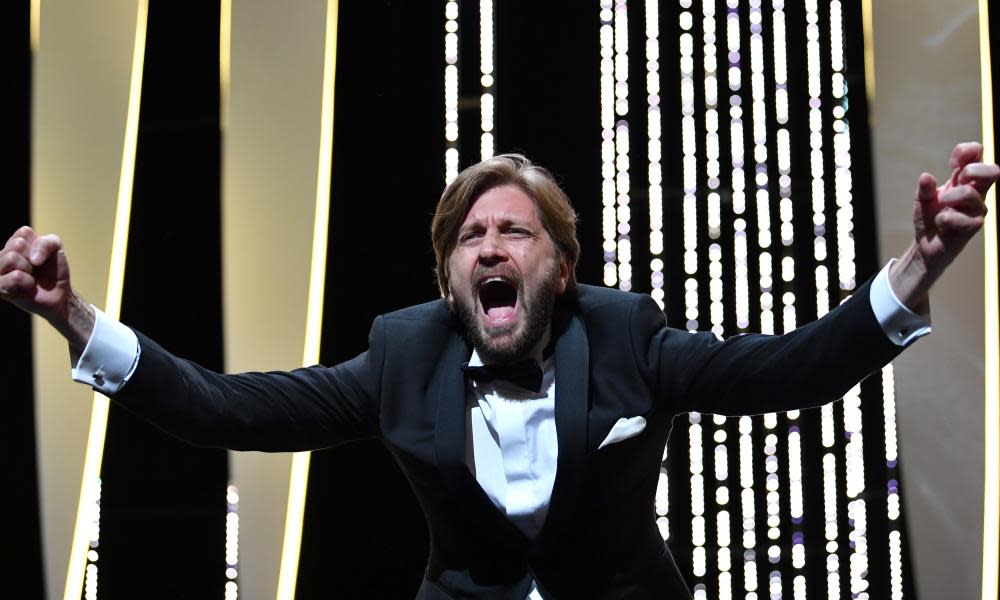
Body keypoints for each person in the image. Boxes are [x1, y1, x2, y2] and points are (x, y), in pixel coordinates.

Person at [1, 143, 995, 598]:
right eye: (469, 236)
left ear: (558, 269)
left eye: (513, 231)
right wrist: (71, 316)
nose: (489, 247)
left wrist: (920, 265)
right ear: (448, 280)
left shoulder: (626, 339)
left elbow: (789, 370)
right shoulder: (402, 354)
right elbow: (226, 410)